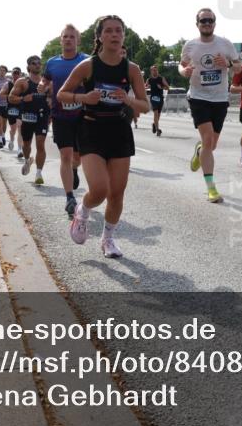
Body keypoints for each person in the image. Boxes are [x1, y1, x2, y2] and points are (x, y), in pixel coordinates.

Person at [59, 16, 149, 258]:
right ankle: (82, 211)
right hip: (91, 129)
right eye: (108, 31)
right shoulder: (88, 66)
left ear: (123, 36)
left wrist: (128, 99)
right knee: (99, 189)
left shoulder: (131, 69)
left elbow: (145, 105)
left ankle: (108, 239)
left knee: (116, 193)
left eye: (119, 30)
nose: (114, 34)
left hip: (119, 130)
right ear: (99, 37)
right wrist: (83, 98)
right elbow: (62, 94)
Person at [180, 8, 241, 203]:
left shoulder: (225, 44)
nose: (207, 23)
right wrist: (184, 71)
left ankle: (200, 152)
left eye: (210, 20)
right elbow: (181, 65)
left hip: (220, 98)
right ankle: (211, 188)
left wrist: (228, 64)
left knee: (211, 145)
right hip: (198, 97)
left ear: (214, 23)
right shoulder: (190, 45)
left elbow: (239, 67)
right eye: (203, 20)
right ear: (197, 24)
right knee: (207, 139)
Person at [42, 24, 89, 218]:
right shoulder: (52, 63)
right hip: (60, 115)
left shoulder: (86, 61)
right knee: (65, 156)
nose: (68, 39)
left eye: (72, 37)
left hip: (83, 115)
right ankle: (70, 197)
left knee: (78, 158)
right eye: (65, 36)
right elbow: (45, 80)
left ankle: (75, 170)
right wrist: (42, 86)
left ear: (77, 40)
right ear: (61, 40)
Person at [9, 56, 50, 185]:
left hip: (42, 116)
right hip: (27, 116)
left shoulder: (47, 82)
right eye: (34, 63)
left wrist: (51, 102)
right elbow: (11, 98)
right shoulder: (23, 82)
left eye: (39, 63)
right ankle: (27, 160)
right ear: (28, 67)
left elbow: (53, 97)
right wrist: (22, 99)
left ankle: (39, 173)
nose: (37, 65)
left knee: (40, 144)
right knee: (26, 145)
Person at [2, 67, 23, 154]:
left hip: (21, 107)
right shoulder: (8, 84)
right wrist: (11, 97)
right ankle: (11, 140)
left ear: (20, 74)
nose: (16, 75)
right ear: (12, 74)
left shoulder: (24, 84)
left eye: (18, 73)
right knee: (13, 129)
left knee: (20, 128)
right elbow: (1, 95)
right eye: (14, 73)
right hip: (11, 108)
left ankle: (19, 149)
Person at [146, 64, 169, 136]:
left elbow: (167, 87)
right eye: (153, 70)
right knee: (155, 113)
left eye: (156, 70)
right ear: (151, 71)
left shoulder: (161, 78)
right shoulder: (149, 80)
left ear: (157, 71)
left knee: (158, 116)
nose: (155, 71)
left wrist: (161, 87)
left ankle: (154, 124)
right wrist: (147, 87)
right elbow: (144, 87)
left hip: (160, 98)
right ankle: (158, 130)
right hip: (153, 98)